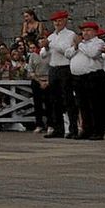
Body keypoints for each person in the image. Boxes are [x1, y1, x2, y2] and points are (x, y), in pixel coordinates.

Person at [40, 10, 78, 138]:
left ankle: (73, 129)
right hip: (53, 68)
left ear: (65, 20)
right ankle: (58, 128)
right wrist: (45, 47)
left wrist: (51, 44)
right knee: (54, 100)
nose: (57, 23)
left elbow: (66, 50)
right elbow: (43, 54)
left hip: (65, 68)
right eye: (55, 21)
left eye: (60, 20)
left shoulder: (70, 34)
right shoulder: (51, 36)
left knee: (68, 99)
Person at [65, 22, 105, 140]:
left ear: (95, 32)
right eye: (84, 31)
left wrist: (80, 44)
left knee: (95, 105)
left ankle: (98, 131)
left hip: (92, 76)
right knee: (83, 105)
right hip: (79, 78)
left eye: (88, 30)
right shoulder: (80, 45)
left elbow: (92, 53)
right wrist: (76, 46)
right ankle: (86, 129)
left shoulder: (98, 42)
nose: (85, 33)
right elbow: (68, 54)